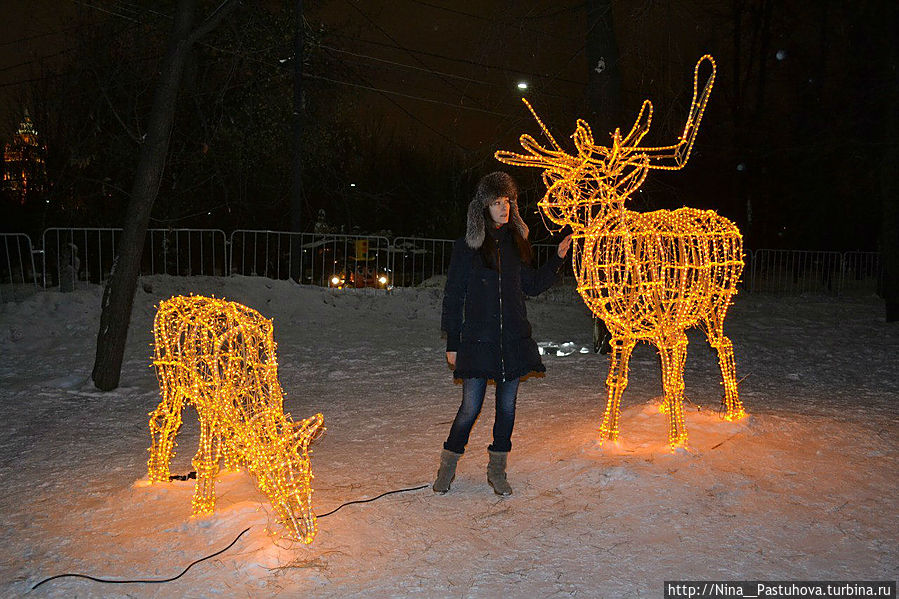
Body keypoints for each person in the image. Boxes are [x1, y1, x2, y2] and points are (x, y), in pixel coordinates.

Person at [434, 171, 572, 496]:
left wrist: (558, 259)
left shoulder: (516, 244)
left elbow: (533, 286)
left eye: (507, 201)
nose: (503, 208)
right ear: (484, 206)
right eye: (496, 202)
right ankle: (447, 466)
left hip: (511, 341)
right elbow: (453, 297)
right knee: (470, 408)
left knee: (507, 409)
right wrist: (453, 342)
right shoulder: (467, 248)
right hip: (478, 343)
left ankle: (497, 470)